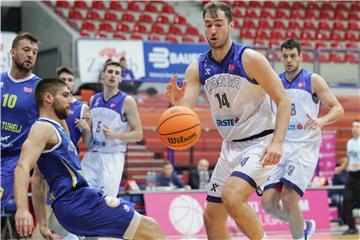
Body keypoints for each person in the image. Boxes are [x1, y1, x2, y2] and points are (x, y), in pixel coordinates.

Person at [166, 2, 291, 239]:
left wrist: (277, 142)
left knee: (232, 197)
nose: (213, 30)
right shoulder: (197, 67)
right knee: (212, 216)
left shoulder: (250, 58)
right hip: (230, 147)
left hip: (260, 144)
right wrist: (177, 105)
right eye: (208, 25)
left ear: (231, 25)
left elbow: (284, 100)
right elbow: (186, 111)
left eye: (219, 24)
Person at [13, 78, 166, 239]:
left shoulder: (56, 128)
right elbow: (22, 167)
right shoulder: (42, 127)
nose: (71, 101)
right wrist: (22, 209)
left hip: (74, 204)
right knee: (151, 228)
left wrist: (43, 223)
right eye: (65, 95)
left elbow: (38, 180)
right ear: (49, 98)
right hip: (77, 202)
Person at [261, 38, 344, 240]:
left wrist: (321, 120)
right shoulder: (275, 81)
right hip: (282, 144)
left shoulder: (312, 80)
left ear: (300, 56)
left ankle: (300, 237)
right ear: (280, 57)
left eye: (292, 56)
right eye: (285, 56)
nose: (288, 60)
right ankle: (303, 225)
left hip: (305, 145)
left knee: (289, 196)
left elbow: (338, 108)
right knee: (268, 204)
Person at [32, 66, 92, 239]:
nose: (67, 82)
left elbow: (89, 143)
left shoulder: (82, 109)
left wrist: (87, 130)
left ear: (74, 85)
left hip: (69, 168)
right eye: (63, 80)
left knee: (64, 220)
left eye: (70, 80)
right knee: (49, 214)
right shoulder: (49, 110)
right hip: (50, 163)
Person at [81, 60, 143, 197]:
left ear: (120, 78)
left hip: (112, 156)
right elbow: (88, 139)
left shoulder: (127, 101)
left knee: (106, 202)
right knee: (82, 196)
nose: (113, 75)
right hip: (92, 154)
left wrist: (115, 135)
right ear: (103, 75)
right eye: (110, 72)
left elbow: (139, 134)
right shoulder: (93, 99)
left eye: (117, 73)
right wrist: (86, 129)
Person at [0, 32, 41, 210]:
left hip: (14, 159)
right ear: (13, 52)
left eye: (34, 52)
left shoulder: (40, 88)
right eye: (26, 49)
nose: (31, 54)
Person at [340, 119, 360, 235]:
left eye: (357, 126)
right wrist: (342, 167)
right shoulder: (349, 142)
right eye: (353, 126)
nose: (355, 128)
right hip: (351, 176)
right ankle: (352, 227)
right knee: (346, 200)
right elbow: (348, 159)